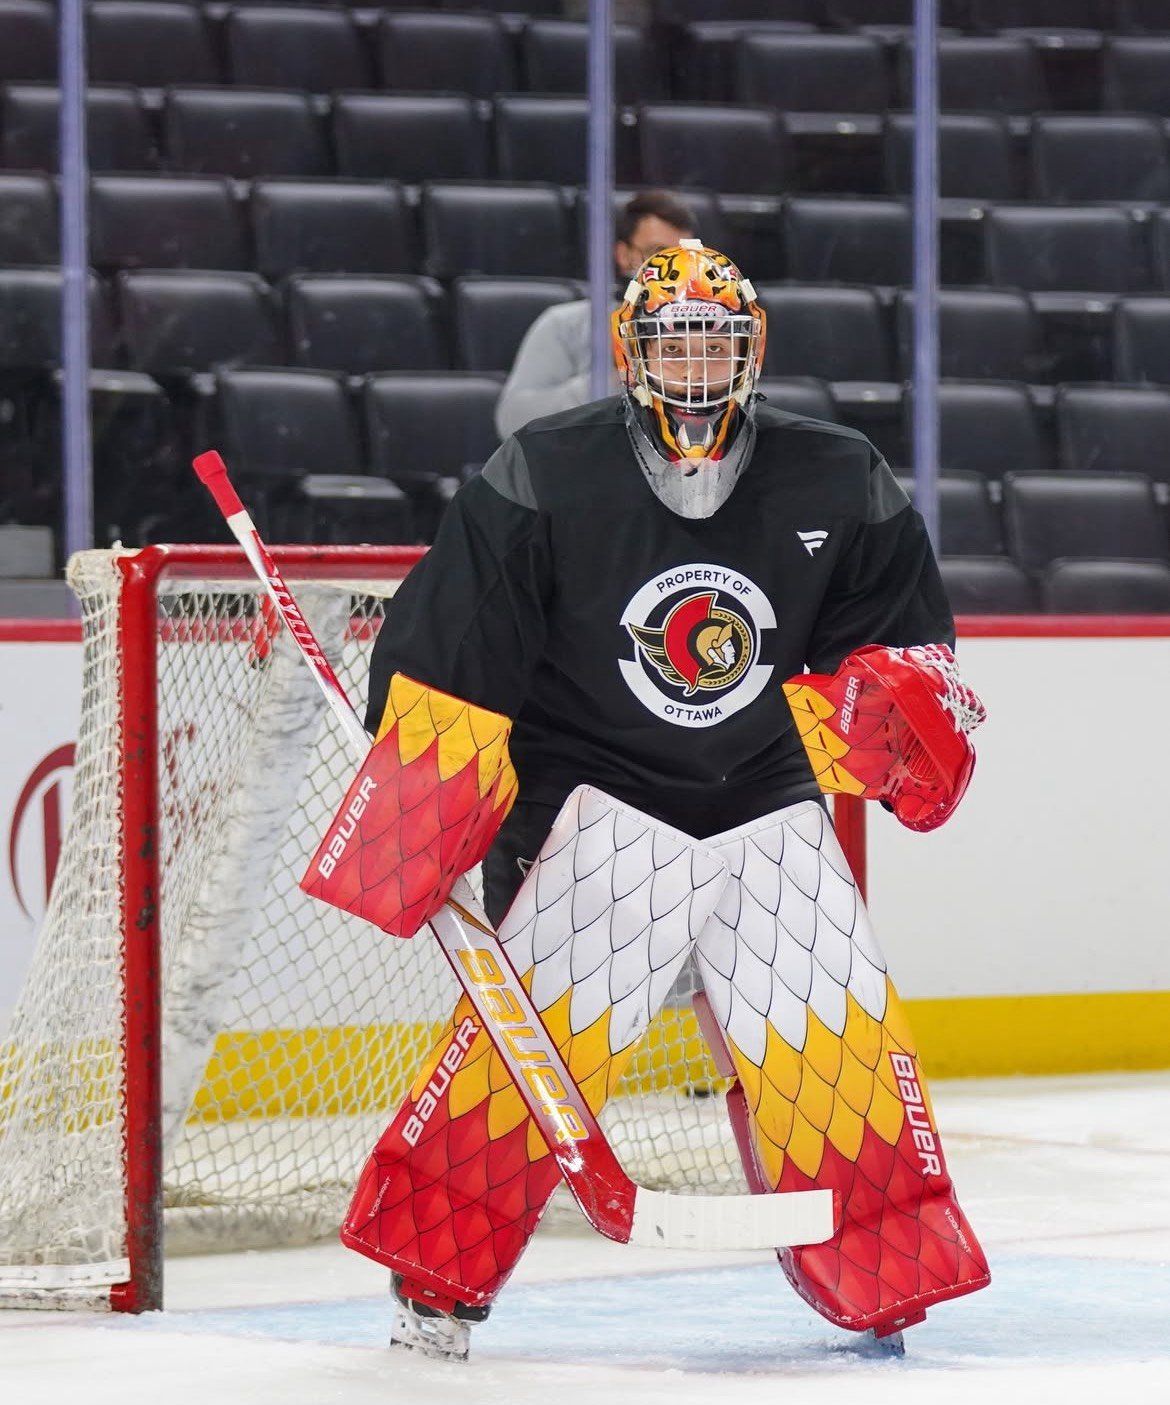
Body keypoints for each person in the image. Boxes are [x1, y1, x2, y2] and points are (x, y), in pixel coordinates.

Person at [331, 241, 990, 1361]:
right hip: (594, 802)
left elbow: (902, 644)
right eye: (671, 337)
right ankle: (435, 1274)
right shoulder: (543, 468)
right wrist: (428, 794)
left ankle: (884, 1265)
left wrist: (906, 700)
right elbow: (447, 652)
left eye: (716, 338)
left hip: (770, 798)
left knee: (834, 1043)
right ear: (629, 349)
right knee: (527, 1055)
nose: (694, 361)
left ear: (754, 349)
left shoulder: (839, 472)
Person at [494, 189, 697, 438]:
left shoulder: (714, 330)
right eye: (656, 253)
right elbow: (513, 421)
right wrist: (615, 377)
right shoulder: (566, 325)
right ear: (624, 255)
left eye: (682, 259)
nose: (670, 270)